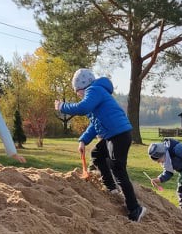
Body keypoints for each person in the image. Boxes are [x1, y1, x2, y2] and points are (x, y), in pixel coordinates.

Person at [55, 69, 146, 223]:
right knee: (97, 154)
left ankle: (135, 209)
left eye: (77, 92)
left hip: (118, 135)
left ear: (82, 86)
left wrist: (62, 106)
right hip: (115, 134)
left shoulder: (94, 90)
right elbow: (95, 124)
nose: (79, 95)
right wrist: (83, 140)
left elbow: (82, 108)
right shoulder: (96, 93)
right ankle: (111, 187)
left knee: (118, 169)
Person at [148, 138, 182, 212]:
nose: (158, 162)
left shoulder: (177, 149)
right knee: (179, 190)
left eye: (159, 160)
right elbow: (168, 172)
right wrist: (159, 179)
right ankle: (181, 210)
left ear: (162, 154)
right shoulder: (165, 159)